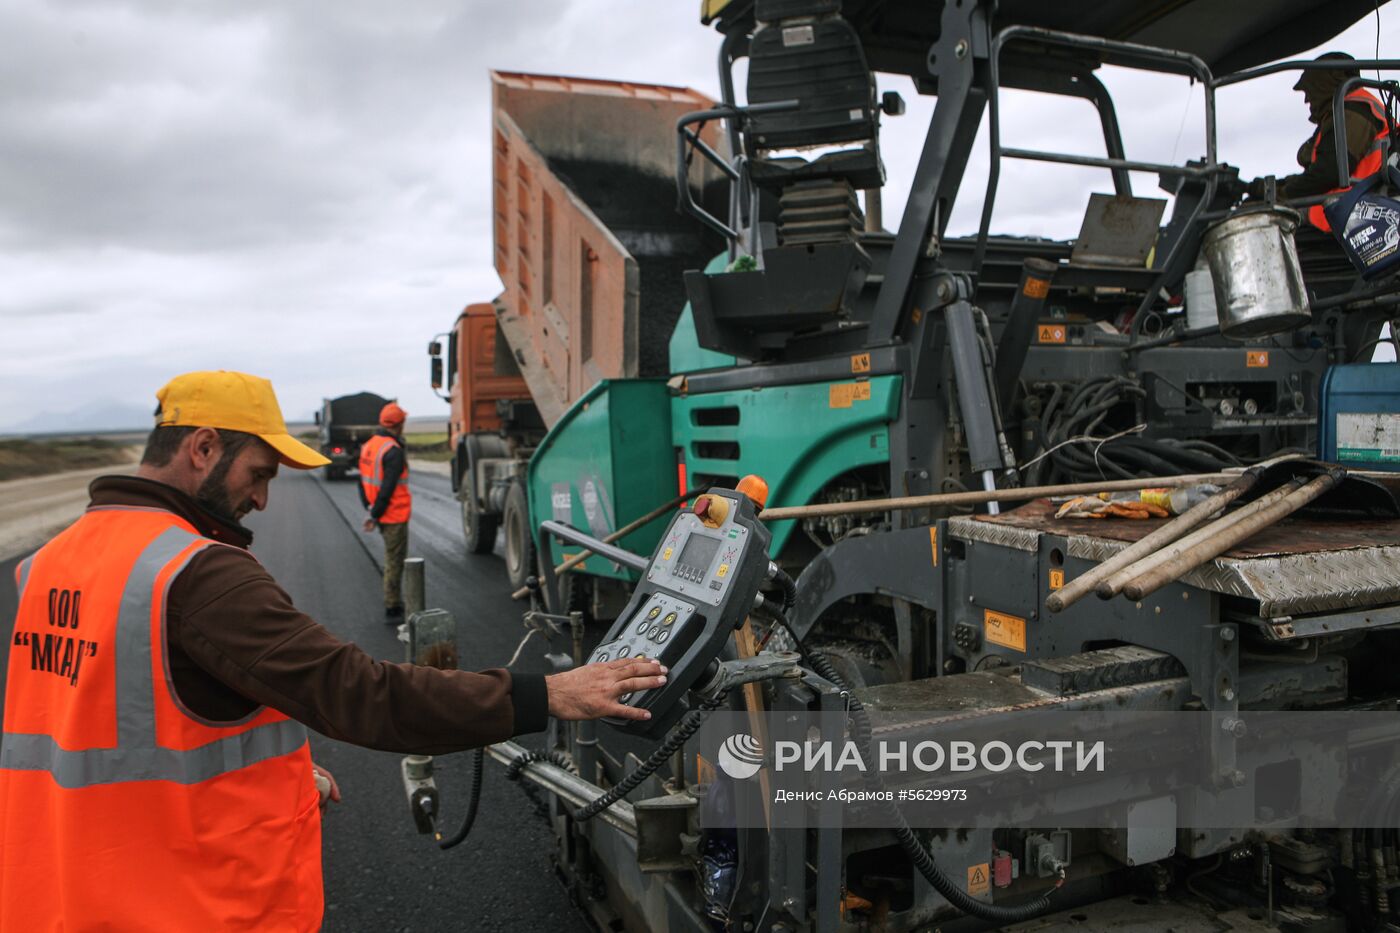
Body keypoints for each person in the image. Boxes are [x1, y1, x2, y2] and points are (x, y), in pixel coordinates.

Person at [0, 370, 666, 932]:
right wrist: (548, 694)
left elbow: (113, 717)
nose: (262, 498)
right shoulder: (196, 572)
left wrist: (275, 776)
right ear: (202, 447)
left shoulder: (50, 562)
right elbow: (363, 692)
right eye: (258, 474)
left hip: (63, 895)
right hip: (182, 905)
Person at [1268, 52, 1393, 233]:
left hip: (1355, 214)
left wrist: (1281, 196)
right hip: (1352, 207)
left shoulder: (1354, 112)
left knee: (1269, 223)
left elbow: (1327, 174)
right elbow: (1319, 173)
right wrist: (1266, 189)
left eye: (1310, 90)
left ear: (1326, 83)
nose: (1306, 99)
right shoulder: (1346, 111)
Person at [358, 401, 411, 621]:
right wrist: (375, 514)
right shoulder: (393, 451)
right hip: (393, 514)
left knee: (392, 558)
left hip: (378, 510)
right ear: (399, 425)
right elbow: (388, 487)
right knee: (394, 560)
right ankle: (393, 605)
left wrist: (369, 508)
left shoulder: (369, 445)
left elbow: (361, 481)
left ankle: (393, 601)